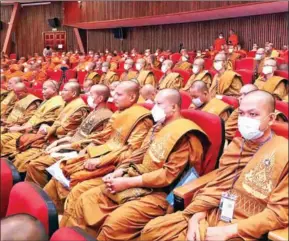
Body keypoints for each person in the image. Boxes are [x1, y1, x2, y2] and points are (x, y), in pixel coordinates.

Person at [61, 89, 210, 241]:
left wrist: (127, 182)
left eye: (159, 104)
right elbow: (139, 153)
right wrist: (120, 171)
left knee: (115, 223)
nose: (154, 108)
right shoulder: (158, 126)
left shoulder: (184, 135)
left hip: (161, 192)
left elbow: (168, 175)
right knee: (86, 198)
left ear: (174, 107)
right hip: (134, 176)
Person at [141, 90, 288, 241]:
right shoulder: (237, 145)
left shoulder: (284, 153)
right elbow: (218, 185)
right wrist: (197, 216)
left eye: (253, 114)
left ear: (271, 119)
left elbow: (278, 214)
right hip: (214, 211)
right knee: (152, 231)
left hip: (244, 227)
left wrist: (227, 232)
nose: (245, 119)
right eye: (242, 114)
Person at [45, 81, 153, 215]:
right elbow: (102, 137)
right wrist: (74, 145)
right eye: (114, 93)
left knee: (76, 187)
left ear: (131, 97)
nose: (114, 98)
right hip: (98, 155)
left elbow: (132, 152)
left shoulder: (141, 119)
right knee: (59, 176)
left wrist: (100, 161)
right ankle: (49, 217)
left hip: (114, 165)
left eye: (119, 94)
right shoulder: (119, 113)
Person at [13, 82, 89, 185]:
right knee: (21, 155)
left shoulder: (79, 108)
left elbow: (64, 130)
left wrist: (48, 129)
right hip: (53, 138)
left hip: (61, 141)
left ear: (74, 93)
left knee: (33, 163)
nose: (61, 93)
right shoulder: (70, 104)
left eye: (65, 90)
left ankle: (37, 193)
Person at [1, 80, 65, 157]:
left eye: (45, 89)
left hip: (34, 133)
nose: (42, 92)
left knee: (6, 143)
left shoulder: (57, 103)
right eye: (42, 89)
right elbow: (33, 116)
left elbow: (44, 124)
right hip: (25, 128)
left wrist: (20, 128)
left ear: (54, 90)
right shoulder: (48, 100)